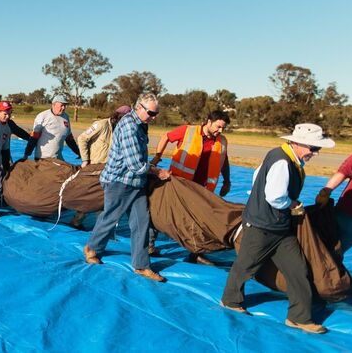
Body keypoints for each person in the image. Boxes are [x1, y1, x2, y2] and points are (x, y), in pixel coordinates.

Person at [221, 123, 334, 334]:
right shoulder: (282, 161)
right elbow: (274, 196)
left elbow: (257, 176)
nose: (315, 154)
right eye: (314, 149)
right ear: (299, 143)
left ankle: (299, 318)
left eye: (317, 149)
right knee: (246, 266)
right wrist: (293, 205)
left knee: (298, 269)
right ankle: (230, 300)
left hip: (280, 229)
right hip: (262, 226)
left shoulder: (283, 156)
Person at [83, 93, 171, 282]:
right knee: (110, 217)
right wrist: (157, 172)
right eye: (151, 113)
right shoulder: (129, 127)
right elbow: (135, 164)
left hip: (136, 182)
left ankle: (141, 265)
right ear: (139, 107)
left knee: (141, 222)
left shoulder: (142, 123)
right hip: (119, 181)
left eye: (156, 114)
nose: (154, 117)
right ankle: (92, 248)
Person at [150, 110, 232, 265]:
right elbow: (166, 137)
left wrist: (227, 181)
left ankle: (196, 253)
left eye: (223, 128)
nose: (220, 131)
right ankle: (149, 245)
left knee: (199, 220)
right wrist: (157, 157)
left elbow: (224, 160)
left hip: (202, 188)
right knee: (162, 212)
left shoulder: (222, 140)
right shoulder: (188, 131)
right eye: (218, 127)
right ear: (208, 121)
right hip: (178, 184)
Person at [315, 145, 352, 310]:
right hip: (350, 217)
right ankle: (316, 292)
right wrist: (326, 191)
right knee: (330, 256)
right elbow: (345, 171)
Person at [70, 105, 131, 228]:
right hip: (95, 168)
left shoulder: (122, 130)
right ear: (119, 117)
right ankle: (77, 222)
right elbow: (82, 138)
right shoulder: (101, 125)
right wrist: (85, 160)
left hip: (110, 170)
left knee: (104, 200)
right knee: (90, 198)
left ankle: (101, 229)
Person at [24, 95, 80, 160]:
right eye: (61, 105)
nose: (64, 108)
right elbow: (34, 137)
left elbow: (69, 138)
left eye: (65, 105)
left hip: (58, 157)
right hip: (43, 158)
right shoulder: (43, 116)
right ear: (53, 105)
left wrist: (77, 152)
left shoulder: (66, 117)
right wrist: (26, 154)